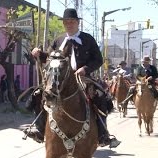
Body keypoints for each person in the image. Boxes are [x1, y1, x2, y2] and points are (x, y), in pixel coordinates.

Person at [23, 8, 120, 148]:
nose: (69, 24)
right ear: (63, 24)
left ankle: (102, 134)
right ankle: (39, 130)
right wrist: (39, 54)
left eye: (72, 22)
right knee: (39, 94)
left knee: (100, 96)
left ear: (77, 23)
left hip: (82, 78)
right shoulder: (59, 40)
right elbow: (49, 58)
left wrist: (85, 69)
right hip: (60, 79)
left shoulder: (88, 39)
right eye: (66, 22)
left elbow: (98, 60)